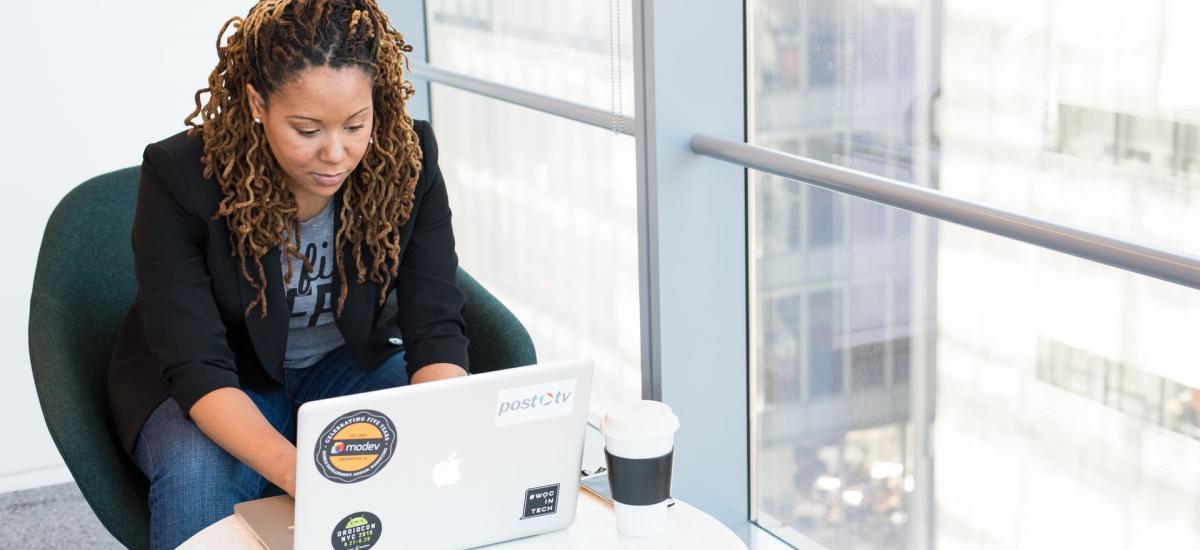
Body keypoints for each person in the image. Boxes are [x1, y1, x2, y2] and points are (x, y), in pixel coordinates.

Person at [106, 1, 469, 546]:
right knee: (202, 470)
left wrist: (443, 433)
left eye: (355, 125)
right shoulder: (181, 176)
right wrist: (304, 473)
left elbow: (434, 323)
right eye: (306, 129)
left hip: (346, 363)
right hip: (223, 376)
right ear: (257, 102)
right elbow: (197, 363)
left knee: (442, 441)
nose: (336, 154)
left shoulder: (406, 157)